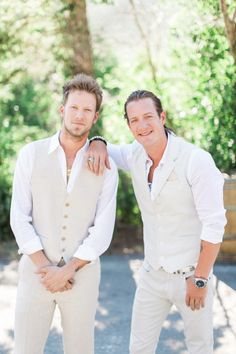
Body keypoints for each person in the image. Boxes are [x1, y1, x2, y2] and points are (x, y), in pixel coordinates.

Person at [87, 90, 226, 354]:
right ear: (129, 126)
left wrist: (200, 279)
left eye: (148, 116)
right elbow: (107, 149)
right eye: (134, 120)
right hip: (152, 275)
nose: (142, 125)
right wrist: (96, 140)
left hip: (192, 275)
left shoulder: (195, 160)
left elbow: (214, 225)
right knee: (138, 348)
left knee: (200, 348)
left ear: (162, 117)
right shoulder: (134, 154)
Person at [10, 73, 118, 354]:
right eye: (74, 108)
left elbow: (103, 228)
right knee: (25, 350)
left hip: (82, 275)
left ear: (95, 118)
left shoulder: (106, 165)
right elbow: (19, 217)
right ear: (62, 110)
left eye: (87, 110)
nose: (79, 116)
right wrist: (46, 268)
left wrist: (68, 269)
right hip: (35, 273)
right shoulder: (30, 154)